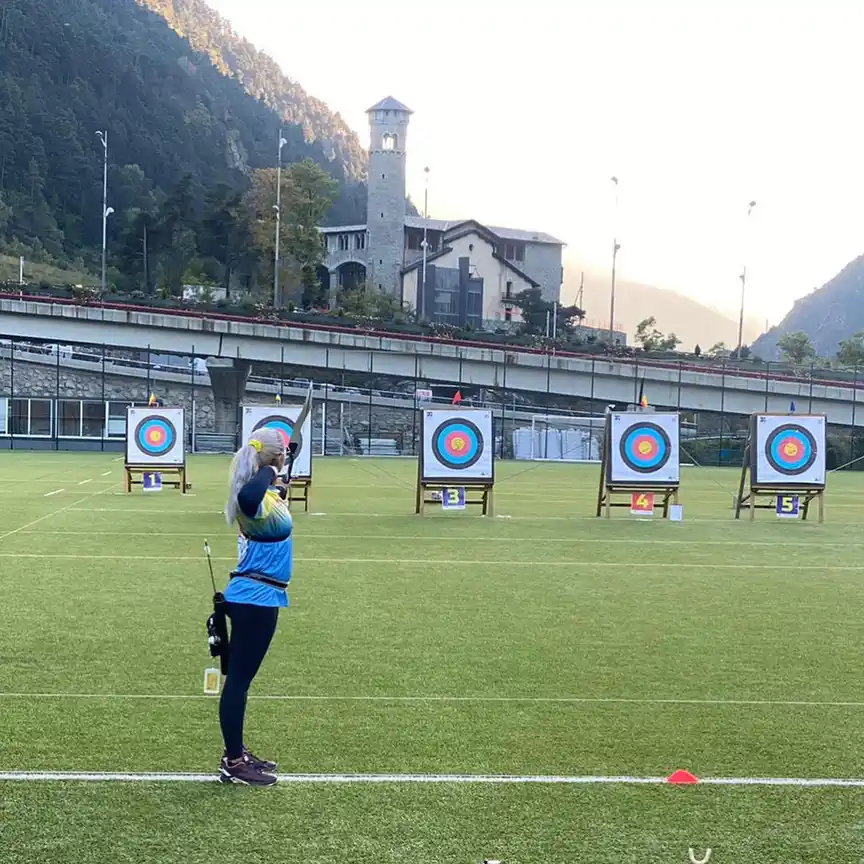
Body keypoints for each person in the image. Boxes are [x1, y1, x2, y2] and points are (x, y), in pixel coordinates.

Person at [219, 428, 293, 786]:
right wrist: (273, 469)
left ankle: (238, 753)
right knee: (238, 682)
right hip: (254, 599)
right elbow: (250, 498)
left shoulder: (263, 494)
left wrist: (277, 477)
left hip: (258, 596)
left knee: (241, 680)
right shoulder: (250, 493)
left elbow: (267, 498)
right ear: (271, 460)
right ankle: (233, 761)